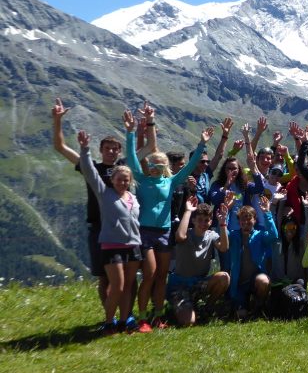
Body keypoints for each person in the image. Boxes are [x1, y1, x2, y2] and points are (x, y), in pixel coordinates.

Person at [124, 108, 212, 330]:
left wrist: (202, 145)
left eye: (159, 165)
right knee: (150, 274)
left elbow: (190, 167)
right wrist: (130, 133)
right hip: (145, 231)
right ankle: (142, 317)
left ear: (164, 168)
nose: (154, 168)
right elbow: (133, 159)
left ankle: (157, 315)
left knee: (162, 276)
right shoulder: (141, 179)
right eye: (152, 164)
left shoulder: (170, 182)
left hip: (164, 232)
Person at [52, 98, 123, 308]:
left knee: (124, 276)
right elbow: (60, 147)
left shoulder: (126, 168)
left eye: (115, 149)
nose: (111, 151)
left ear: (119, 151)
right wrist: (57, 120)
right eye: (107, 148)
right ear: (100, 150)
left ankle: (123, 315)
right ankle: (109, 315)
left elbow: (148, 150)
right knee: (104, 277)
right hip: (99, 227)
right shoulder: (91, 167)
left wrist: (146, 124)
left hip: (123, 227)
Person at [76, 130, 141, 334]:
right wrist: (85, 149)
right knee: (118, 285)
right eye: (119, 179)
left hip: (133, 245)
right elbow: (89, 171)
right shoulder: (104, 194)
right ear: (112, 180)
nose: (123, 182)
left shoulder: (132, 197)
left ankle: (123, 322)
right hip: (112, 245)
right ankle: (108, 321)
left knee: (129, 285)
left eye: (126, 180)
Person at [167, 196, 230, 326]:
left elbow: (224, 247)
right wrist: (188, 211)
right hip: (180, 286)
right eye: (200, 220)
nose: (203, 223)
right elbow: (179, 236)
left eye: (206, 220)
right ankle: (176, 308)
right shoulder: (186, 233)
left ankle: (207, 309)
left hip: (199, 283)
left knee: (224, 277)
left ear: (211, 222)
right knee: (188, 322)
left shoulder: (211, 235)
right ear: (193, 220)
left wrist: (223, 223)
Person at [225, 197, 279, 319]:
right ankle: (244, 306)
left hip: (255, 281)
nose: (246, 224)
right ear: (239, 222)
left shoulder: (259, 235)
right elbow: (223, 232)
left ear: (255, 220)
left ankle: (259, 307)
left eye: (249, 221)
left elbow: (274, 236)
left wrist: (267, 213)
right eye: (242, 222)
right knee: (241, 316)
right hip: (239, 284)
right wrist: (226, 212)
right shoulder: (233, 236)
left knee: (264, 281)